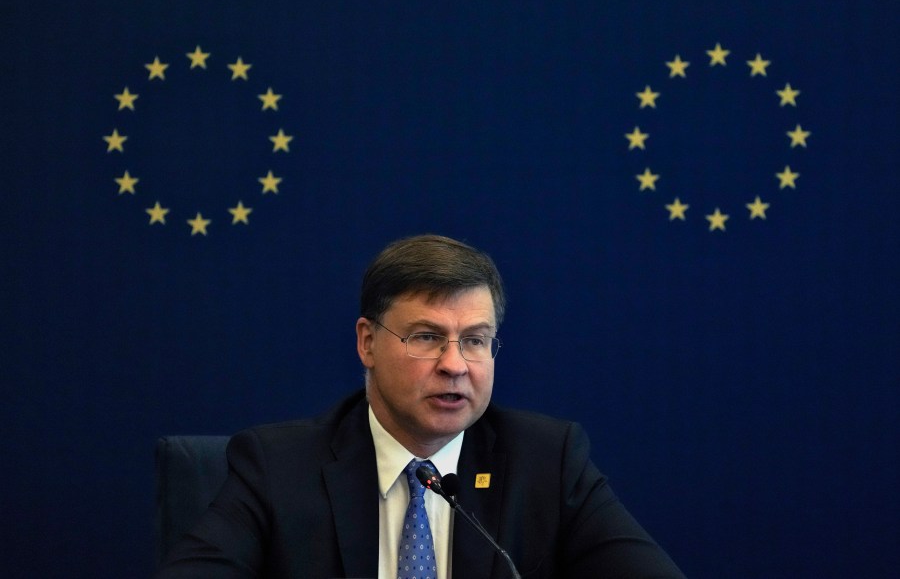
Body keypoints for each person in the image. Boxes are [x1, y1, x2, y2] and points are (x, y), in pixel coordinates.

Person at [156, 234, 685, 578]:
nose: (455, 365)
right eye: (427, 337)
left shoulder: (547, 460)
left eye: (476, 340)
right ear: (367, 342)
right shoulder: (277, 467)